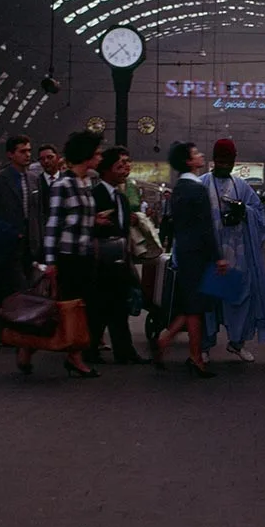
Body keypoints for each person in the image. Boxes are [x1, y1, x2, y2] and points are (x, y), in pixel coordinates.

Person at [31, 130, 110, 379]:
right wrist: (51, 261)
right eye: (96, 154)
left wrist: (94, 220)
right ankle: (69, 356)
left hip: (85, 254)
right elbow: (54, 224)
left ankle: (52, 350)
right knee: (66, 307)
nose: (99, 158)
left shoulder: (87, 183)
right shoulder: (62, 185)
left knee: (79, 307)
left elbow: (78, 218)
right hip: (68, 256)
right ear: (86, 155)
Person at [200, 139, 265, 363]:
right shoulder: (202, 184)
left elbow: (259, 213)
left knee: (239, 301)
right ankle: (205, 346)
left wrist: (244, 212)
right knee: (209, 302)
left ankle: (237, 343)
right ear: (214, 160)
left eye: (229, 161)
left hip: (237, 257)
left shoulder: (241, 186)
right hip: (211, 257)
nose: (224, 165)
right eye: (221, 161)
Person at [153, 141, 224, 377]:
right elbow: (206, 228)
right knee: (196, 308)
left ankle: (166, 339)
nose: (201, 155)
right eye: (196, 153)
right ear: (188, 161)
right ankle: (194, 357)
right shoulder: (198, 189)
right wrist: (219, 257)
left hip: (184, 252)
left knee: (193, 305)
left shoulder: (179, 189)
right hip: (199, 255)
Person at [0, 135, 39, 342]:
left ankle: (3, 331)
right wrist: (9, 230)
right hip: (7, 242)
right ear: (10, 154)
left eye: (29, 150)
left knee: (23, 288)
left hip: (30, 243)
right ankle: (19, 335)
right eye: (23, 151)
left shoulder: (34, 180)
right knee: (16, 287)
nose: (28, 155)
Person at [89, 146, 146, 365]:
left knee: (118, 308)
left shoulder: (121, 198)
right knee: (100, 308)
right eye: (120, 164)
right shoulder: (96, 195)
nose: (126, 168)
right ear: (106, 170)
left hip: (120, 260)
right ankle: (91, 349)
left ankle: (124, 351)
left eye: (128, 162)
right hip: (101, 262)